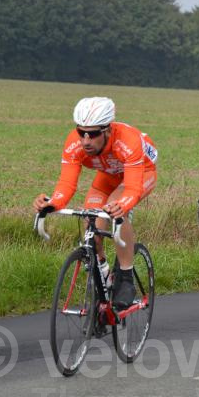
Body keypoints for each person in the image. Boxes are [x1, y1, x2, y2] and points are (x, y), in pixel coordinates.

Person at [33, 97, 157, 309]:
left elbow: (133, 189)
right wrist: (53, 204)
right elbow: (66, 184)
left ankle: (126, 277)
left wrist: (122, 206)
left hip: (141, 173)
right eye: (81, 133)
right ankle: (104, 273)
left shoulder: (128, 140)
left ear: (107, 130)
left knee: (116, 207)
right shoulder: (74, 143)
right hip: (108, 175)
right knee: (91, 219)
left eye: (93, 134)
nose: (86, 140)